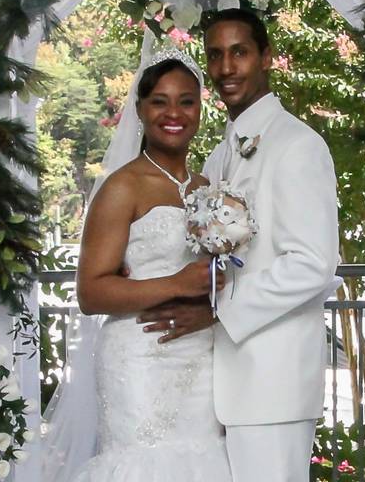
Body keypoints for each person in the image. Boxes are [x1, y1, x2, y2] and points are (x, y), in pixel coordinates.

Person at [138, 9, 340, 482]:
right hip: (221, 384)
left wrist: (218, 314)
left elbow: (312, 264)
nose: (226, 67)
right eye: (215, 54)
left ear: (266, 58)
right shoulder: (219, 152)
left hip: (273, 385)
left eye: (239, 52)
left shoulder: (298, 146)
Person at [42, 40, 233, 482]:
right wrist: (177, 283)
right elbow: (90, 292)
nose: (174, 113)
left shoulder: (208, 187)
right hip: (139, 359)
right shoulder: (122, 187)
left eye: (187, 102)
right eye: (160, 102)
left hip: (201, 359)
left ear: (200, 110)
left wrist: (209, 301)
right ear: (141, 109)